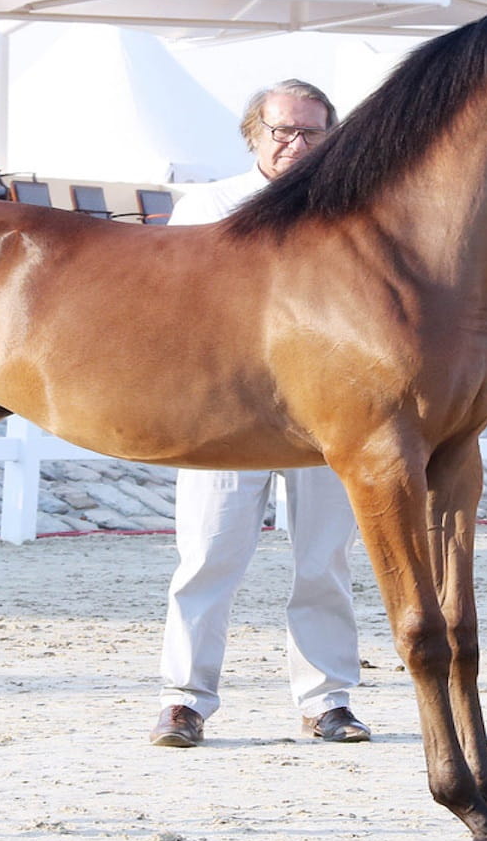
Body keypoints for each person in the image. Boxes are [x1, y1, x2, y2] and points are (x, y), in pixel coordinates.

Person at [149, 80, 372, 748]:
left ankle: (327, 700)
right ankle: (184, 701)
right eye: (282, 131)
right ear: (255, 135)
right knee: (207, 555)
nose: (295, 144)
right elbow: (177, 306)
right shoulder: (207, 204)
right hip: (227, 409)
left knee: (324, 560)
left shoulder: (356, 209)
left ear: (331, 137)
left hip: (326, 411)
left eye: (310, 132)